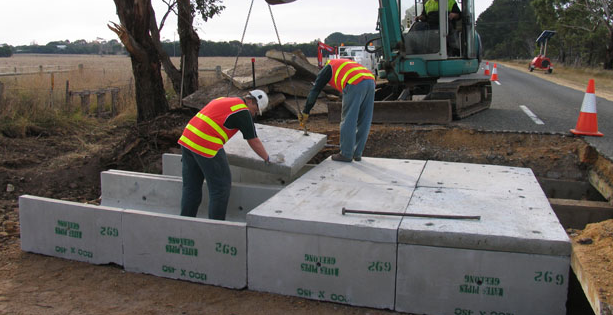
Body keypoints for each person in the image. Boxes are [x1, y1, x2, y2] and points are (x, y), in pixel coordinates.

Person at [178, 90, 272, 220]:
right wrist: (267, 158)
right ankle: (216, 228)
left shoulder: (224, 99)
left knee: (191, 187)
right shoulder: (243, 111)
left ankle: (184, 224)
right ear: (249, 101)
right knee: (221, 188)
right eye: (255, 110)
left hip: (187, 140)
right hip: (206, 144)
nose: (253, 114)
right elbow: (253, 140)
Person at [299, 59, 375, 162]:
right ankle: (357, 154)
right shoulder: (341, 63)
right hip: (370, 81)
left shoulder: (326, 69)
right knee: (364, 119)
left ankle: (346, 154)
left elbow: (315, 91)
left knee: (348, 119)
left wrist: (305, 112)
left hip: (354, 82)